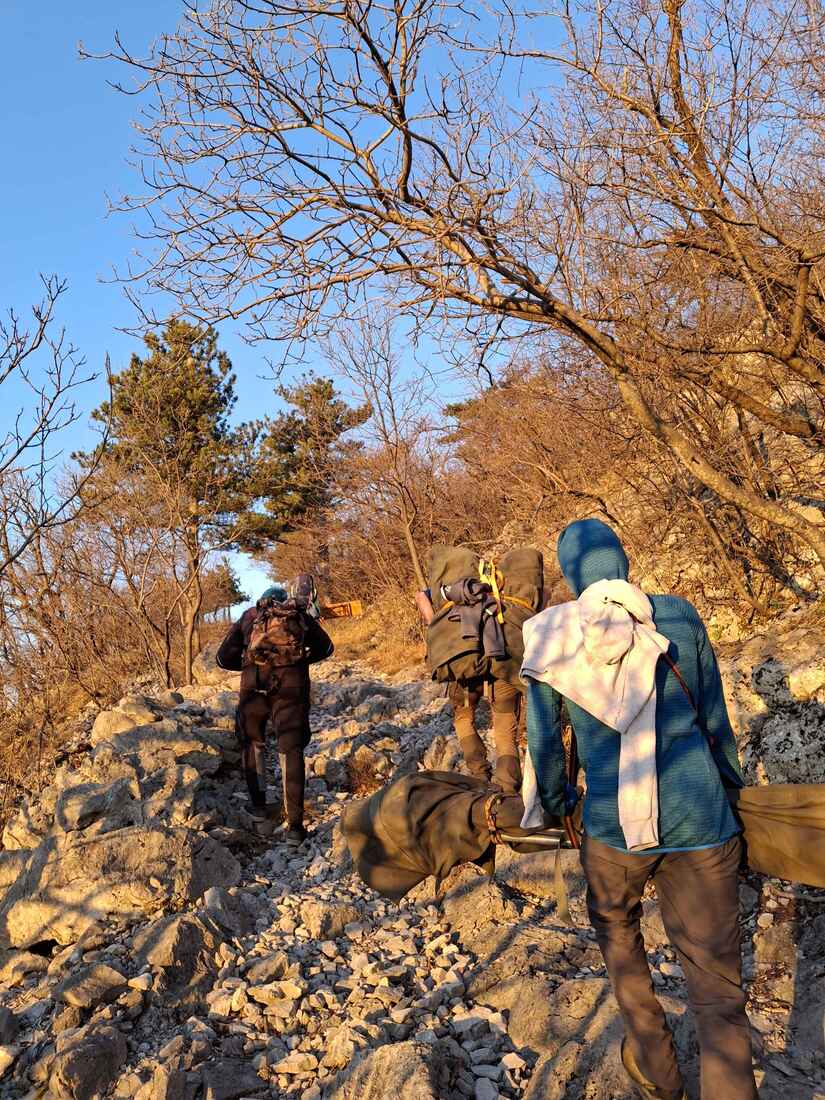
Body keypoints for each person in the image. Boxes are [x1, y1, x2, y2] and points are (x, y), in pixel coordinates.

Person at [521, 519, 757, 1100]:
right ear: (623, 561)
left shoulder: (553, 637)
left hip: (611, 829)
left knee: (620, 938)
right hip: (700, 817)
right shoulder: (676, 615)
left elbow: (545, 742)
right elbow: (714, 718)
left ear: (570, 574)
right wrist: (730, 790)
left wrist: (560, 805)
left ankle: (657, 1067)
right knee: (717, 986)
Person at [216, 582, 334, 844]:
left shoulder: (249, 616)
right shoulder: (299, 616)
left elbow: (222, 658)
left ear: (262, 601)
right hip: (291, 687)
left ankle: (260, 816)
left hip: (253, 688)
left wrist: (248, 663)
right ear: (285, 602)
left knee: (253, 745)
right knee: (290, 749)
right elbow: (327, 648)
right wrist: (299, 659)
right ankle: (295, 828)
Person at [416, 586, 523, 793]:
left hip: (466, 661)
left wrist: (434, 625)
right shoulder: (500, 579)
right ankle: (508, 787)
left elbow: (421, 597)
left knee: (464, 718)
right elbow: (542, 595)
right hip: (502, 658)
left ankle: (480, 774)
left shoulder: (449, 583)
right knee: (505, 728)